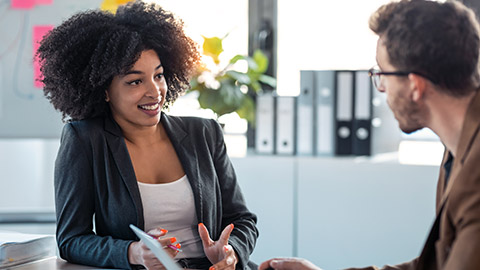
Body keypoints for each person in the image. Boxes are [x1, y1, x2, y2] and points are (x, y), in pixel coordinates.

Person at [36, 1, 259, 269]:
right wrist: (133, 252)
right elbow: (71, 240)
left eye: (159, 75)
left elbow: (242, 219)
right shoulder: (85, 140)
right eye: (135, 81)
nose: (154, 91)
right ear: (104, 90)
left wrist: (230, 251)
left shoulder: (204, 133)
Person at [259, 0, 480, 269]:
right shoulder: (456, 150)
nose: (381, 88)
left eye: (382, 73)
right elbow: (436, 264)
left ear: (415, 85)